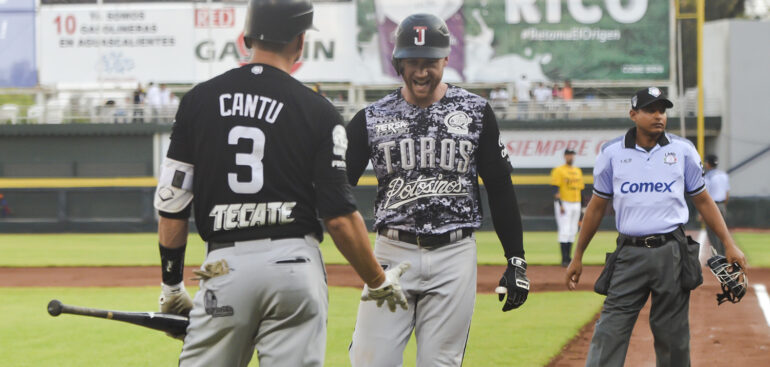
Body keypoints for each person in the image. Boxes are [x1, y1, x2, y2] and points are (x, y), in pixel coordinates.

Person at [152, 1, 408, 366]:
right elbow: (337, 215)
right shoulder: (318, 110)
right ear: (300, 43)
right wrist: (378, 279)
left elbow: (173, 203)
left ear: (246, 38)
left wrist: (172, 286)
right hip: (294, 269)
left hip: (225, 268)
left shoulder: (197, 101)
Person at [345, 13, 530, 367]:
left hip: (454, 255)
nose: (420, 72)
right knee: (371, 361)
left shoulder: (475, 112)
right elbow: (337, 187)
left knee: (440, 363)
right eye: (412, 62)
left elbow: (500, 187)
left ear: (446, 59)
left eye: (429, 62)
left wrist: (516, 259)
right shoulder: (371, 118)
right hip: (391, 253)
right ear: (398, 61)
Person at [565, 87, 747, 367]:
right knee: (610, 329)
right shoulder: (611, 153)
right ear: (633, 114)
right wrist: (577, 256)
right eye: (651, 110)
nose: (658, 116)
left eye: (662, 110)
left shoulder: (683, 150)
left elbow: (703, 200)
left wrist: (730, 243)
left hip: (671, 251)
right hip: (629, 253)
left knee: (673, 337)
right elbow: (596, 207)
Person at [550, 148, 584, 267]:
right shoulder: (558, 170)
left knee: (573, 230)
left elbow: (580, 189)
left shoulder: (577, 171)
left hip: (576, 202)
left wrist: (582, 205)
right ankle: (564, 259)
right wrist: (560, 204)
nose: (571, 157)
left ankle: (569, 258)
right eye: (569, 155)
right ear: (565, 156)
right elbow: (555, 188)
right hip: (564, 203)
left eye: (572, 155)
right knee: (564, 230)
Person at [704, 153, 730, 255]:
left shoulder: (708, 177)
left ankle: (717, 256)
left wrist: (703, 213)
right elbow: (727, 193)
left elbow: (706, 196)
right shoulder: (723, 175)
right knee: (722, 230)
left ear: (708, 164)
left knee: (711, 231)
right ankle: (724, 254)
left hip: (711, 206)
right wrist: (723, 206)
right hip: (722, 205)